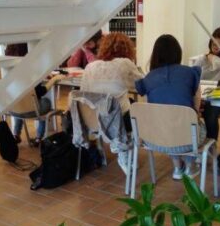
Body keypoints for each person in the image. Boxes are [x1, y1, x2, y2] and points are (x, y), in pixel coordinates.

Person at [135, 34, 204, 180]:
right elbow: (196, 106)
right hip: (188, 142)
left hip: (157, 140)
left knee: (166, 121)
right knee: (191, 122)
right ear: (178, 52)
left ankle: (178, 167)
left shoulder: (148, 79)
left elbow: (152, 107)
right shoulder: (189, 73)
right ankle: (191, 166)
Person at [80, 32, 143, 174]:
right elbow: (142, 85)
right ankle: (123, 146)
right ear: (128, 49)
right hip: (118, 120)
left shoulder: (90, 67)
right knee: (136, 109)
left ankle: (118, 144)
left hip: (93, 120)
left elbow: (83, 94)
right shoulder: (125, 64)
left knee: (125, 103)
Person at [193, 27, 220, 140]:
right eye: (213, 44)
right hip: (200, 96)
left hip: (218, 98)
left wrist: (214, 59)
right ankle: (191, 143)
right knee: (185, 107)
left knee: (210, 112)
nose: (215, 47)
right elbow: (191, 78)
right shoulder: (202, 59)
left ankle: (211, 145)